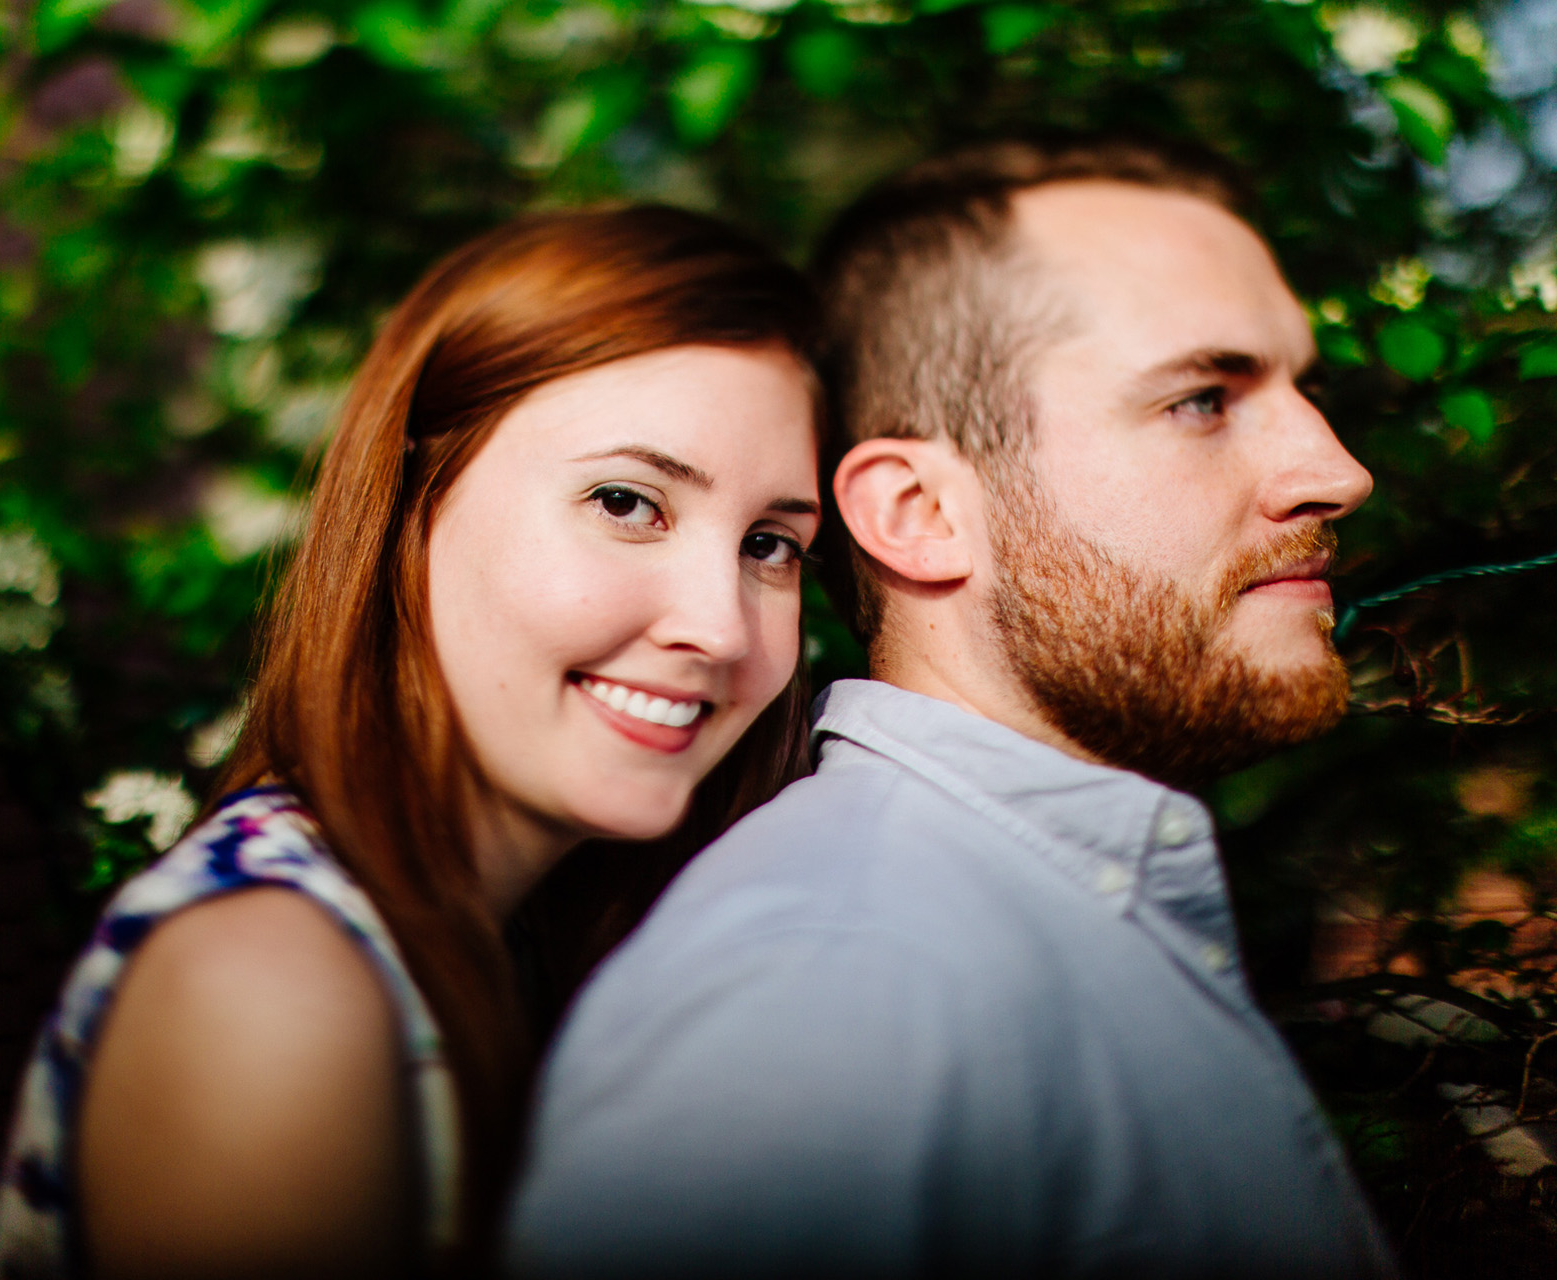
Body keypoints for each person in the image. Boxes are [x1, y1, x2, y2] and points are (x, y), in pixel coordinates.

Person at [508, 137, 1399, 1278]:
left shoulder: (1006, 916)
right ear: (922, 512)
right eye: (1201, 399)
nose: (1334, 467)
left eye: (1301, 388)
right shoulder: (826, 991)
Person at [0, 205, 825, 1279]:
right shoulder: (275, 990)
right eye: (627, 500)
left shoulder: (527, 941)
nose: (720, 623)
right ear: (413, 506)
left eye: (770, 544)